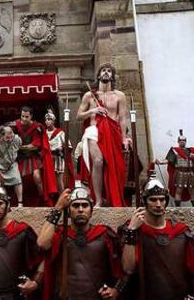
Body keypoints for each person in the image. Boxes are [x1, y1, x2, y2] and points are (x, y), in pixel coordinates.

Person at [37, 186, 126, 300]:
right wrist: (58, 207)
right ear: (68, 210)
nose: (80, 209)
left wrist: (116, 290)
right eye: (75, 205)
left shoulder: (104, 234)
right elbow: (42, 243)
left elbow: (122, 267)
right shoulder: (61, 234)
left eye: (85, 205)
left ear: (91, 210)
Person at [121, 172, 194, 299]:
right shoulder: (135, 230)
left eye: (162, 199)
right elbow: (128, 268)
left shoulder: (180, 231)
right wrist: (131, 230)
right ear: (144, 202)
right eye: (153, 199)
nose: (158, 204)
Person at [76, 63, 128, 207]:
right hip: (93, 130)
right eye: (103, 70)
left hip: (113, 132)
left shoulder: (119, 96)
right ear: (99, 75)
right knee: (98, 161)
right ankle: (98, 200)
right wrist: (92, 111)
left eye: (109, 71)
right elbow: (79, 116)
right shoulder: (89, 95)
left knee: (114, 166)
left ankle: (111, 198)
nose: (106, 73)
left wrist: (124, 138)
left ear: (112, 76)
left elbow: (123, 118)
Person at [9, 106, 57, 206]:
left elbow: (35, 146)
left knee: (37, 177)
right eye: (22, 116)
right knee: (16, 179)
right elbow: (4, 134)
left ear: (31, 116)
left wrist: (19, 147)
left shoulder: (37, 127)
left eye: (26, 117)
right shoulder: (14, 125)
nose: (24, 119)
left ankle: (44, 201)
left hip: (33, 157)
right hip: (19, 158)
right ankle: (19, 202)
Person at [0, 125, 23, 206]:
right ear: (1, 135)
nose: (10, 139)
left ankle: (20, 202)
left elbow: (18, 147)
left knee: (17, 179)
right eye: (7, 137)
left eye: (11, 136)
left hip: (11, 165)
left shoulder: (16, 139)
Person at [155, 129, 194, 206]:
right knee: (178, 190)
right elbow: (168, 160)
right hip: (180, 173)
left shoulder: (191, 150)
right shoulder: (174, 151)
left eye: (184, 140)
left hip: (190, 173)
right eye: (181, 141)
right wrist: (160, 162)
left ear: (185, 141)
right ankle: (177, 209)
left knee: (192, 191)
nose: (182, 142)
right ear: (178, 142)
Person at [44, 110, 74, 192]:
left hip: (58, 158)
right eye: (46, 119)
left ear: (53, 121)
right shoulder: (44, 133)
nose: (47, 121)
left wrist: (62, 149)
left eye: (49, 119)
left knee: (59, 180)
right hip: (48, 159)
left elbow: (69, 146)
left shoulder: (60, 133)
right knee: (48, 181)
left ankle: (62, 197)